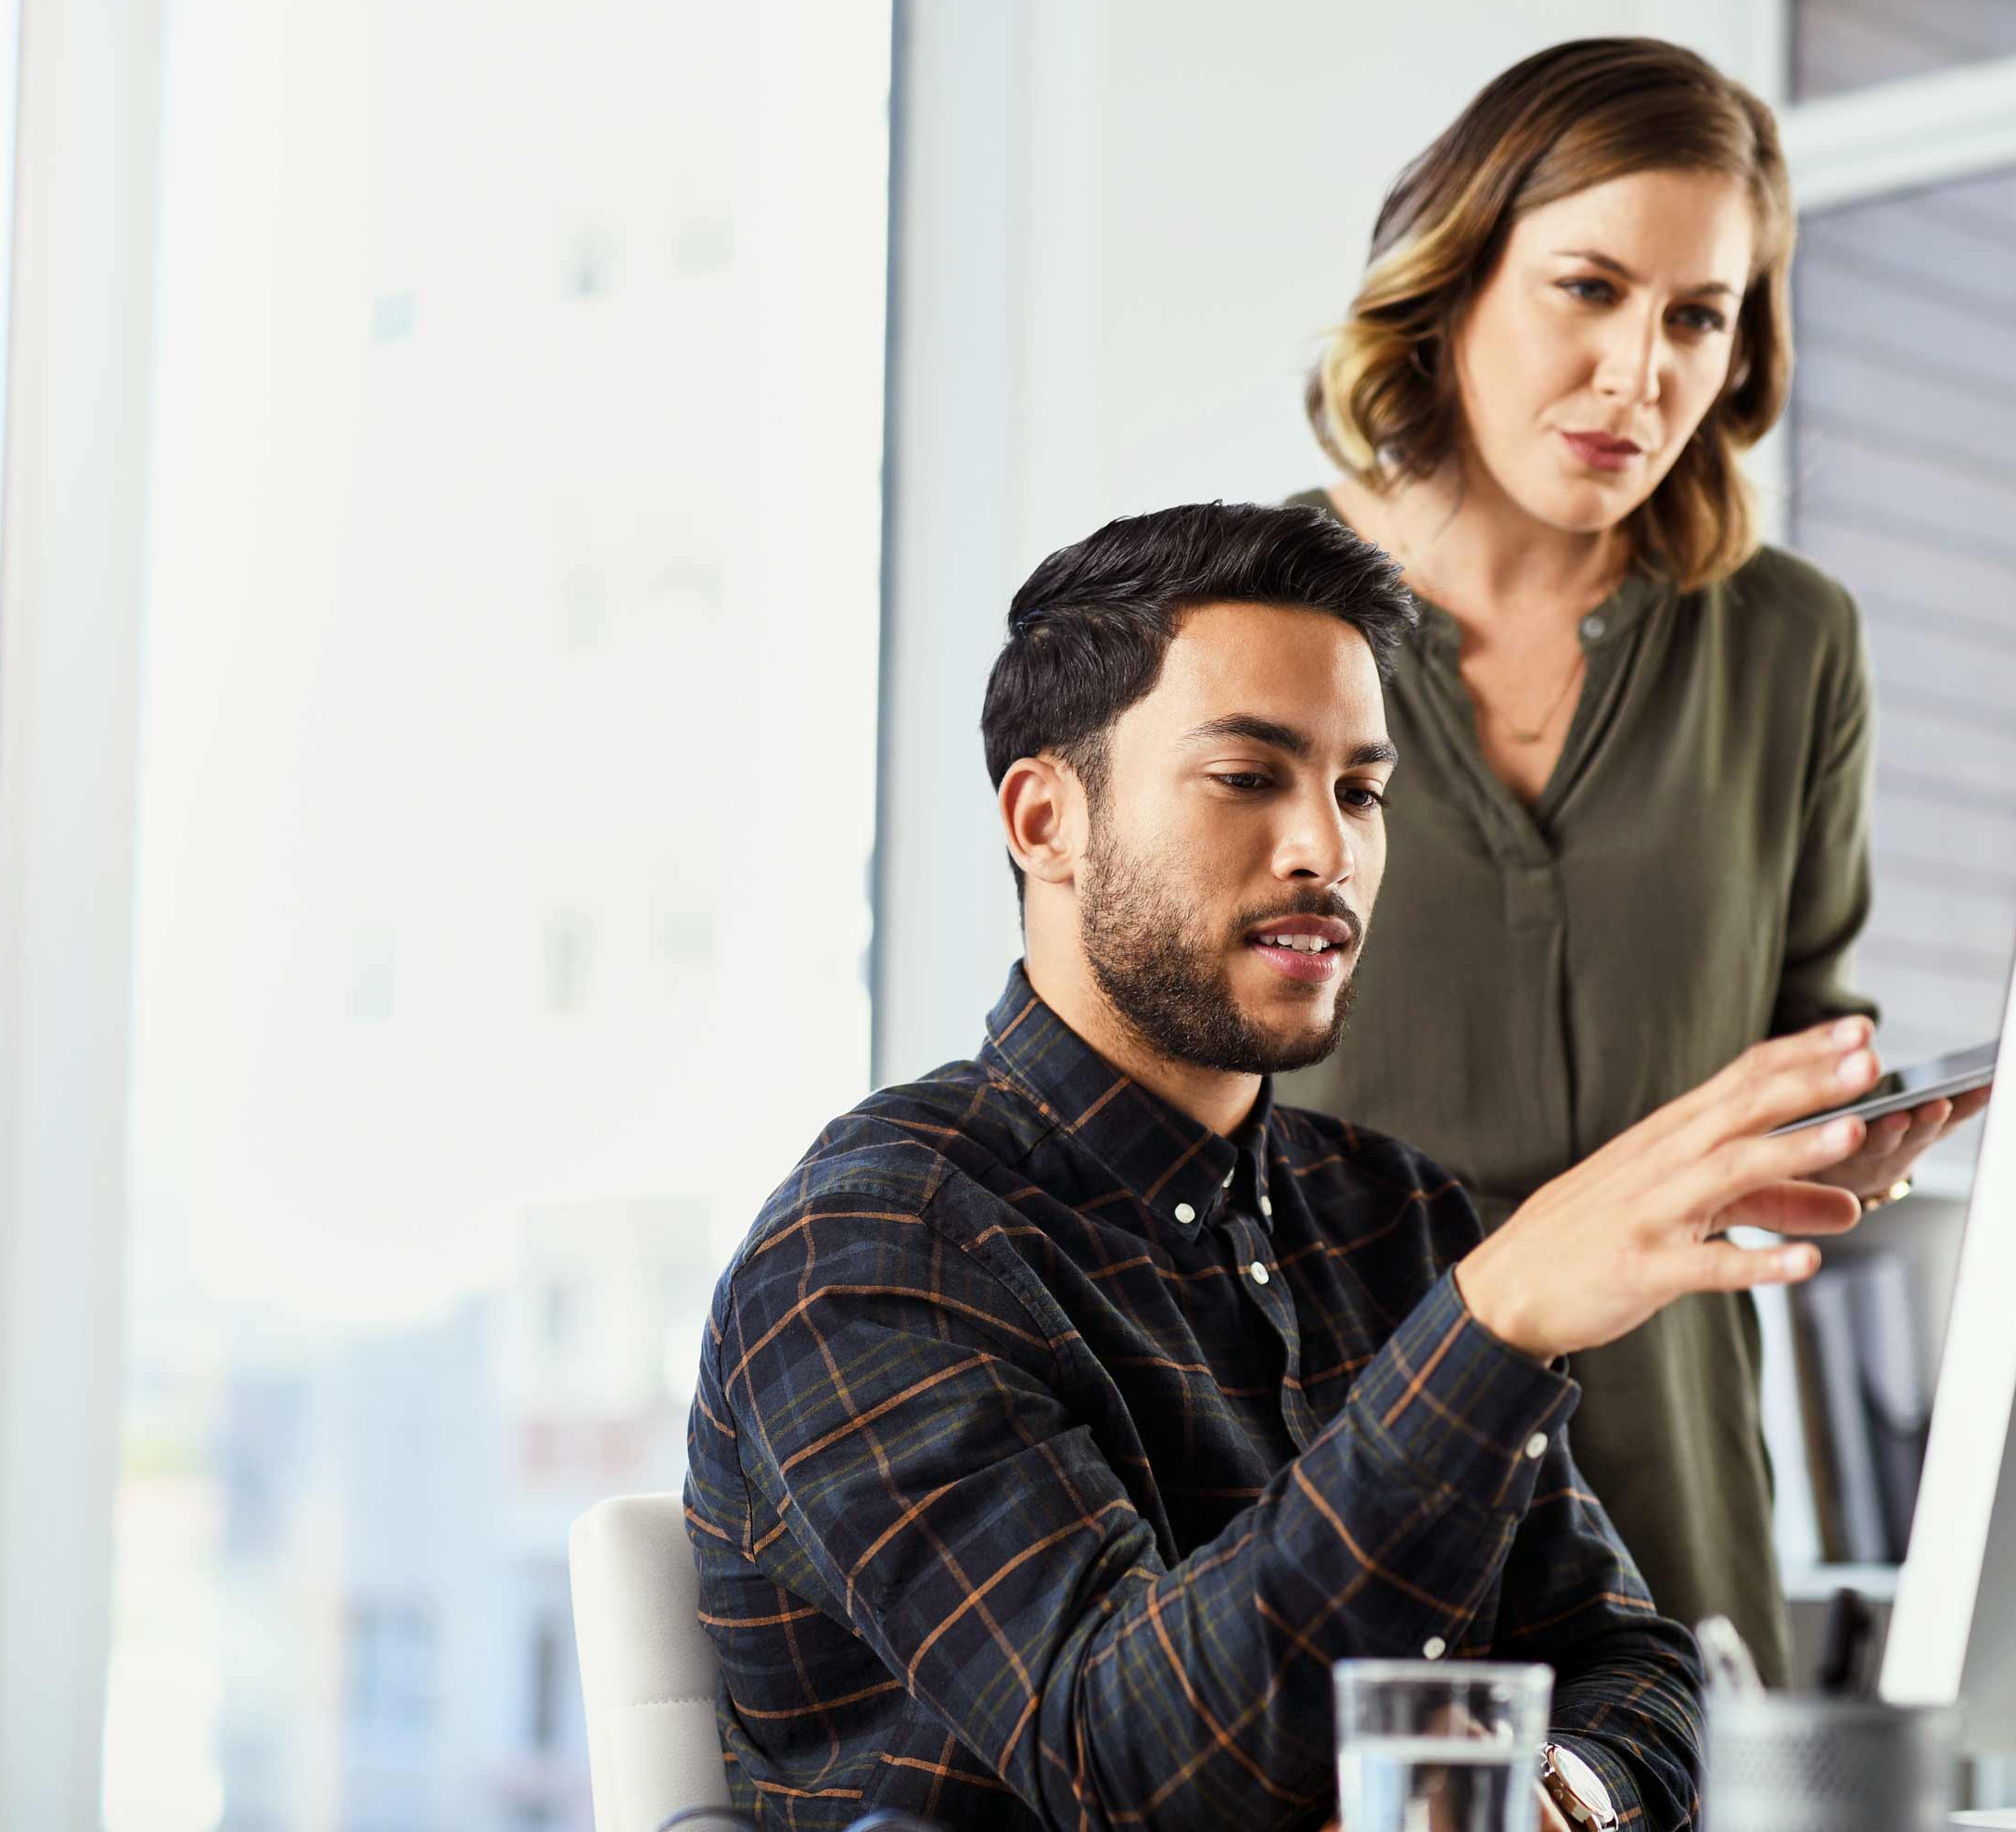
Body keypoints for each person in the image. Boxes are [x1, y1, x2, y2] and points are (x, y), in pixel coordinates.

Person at [685, 501, 1888, 1832]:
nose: (1329, 850)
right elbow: (1122, 1761)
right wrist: (1488, 1333)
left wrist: (1553, 1794)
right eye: (1249, 778)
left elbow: (1641, 1670)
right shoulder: (873, 1246)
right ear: (1045, 820)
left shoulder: (1393, 1216)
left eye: (1360, 790)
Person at [1282, 37, 1984, 1682]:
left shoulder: (1789, 645)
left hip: (1678, 1523)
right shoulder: (1243, 629)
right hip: (1327, 1513)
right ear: (1454, 280)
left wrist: (1831, 1136)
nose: (1637, 376)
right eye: (1587, 289)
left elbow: (1797, 1025)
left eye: (1697, 316)